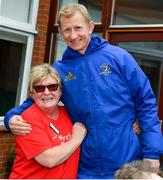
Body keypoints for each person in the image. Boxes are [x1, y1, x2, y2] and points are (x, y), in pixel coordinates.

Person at [4, 3, 163, 179]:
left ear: (90, 27)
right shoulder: (61, 70)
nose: (73, 36)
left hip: (127, 165)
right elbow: (38, 98)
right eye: (67, 30)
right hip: (86, 169)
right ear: (61, 33)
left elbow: (146, 103)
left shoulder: (119, 57)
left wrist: (152, 154)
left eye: (78, 28)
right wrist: (11, 117)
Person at [9, 63, 87, 179]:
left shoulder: (69, 113)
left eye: (52, 87)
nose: (46, 92)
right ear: (32, 93)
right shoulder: (27, 119)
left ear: (60, 91)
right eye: (39, 88)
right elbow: (49, 159)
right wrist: (77, 138)